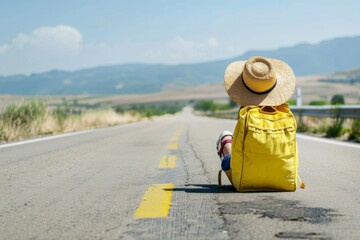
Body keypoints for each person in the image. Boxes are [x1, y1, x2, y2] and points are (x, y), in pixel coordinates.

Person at [216, 56, 296, 175]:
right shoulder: (283, 113)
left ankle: (225, 144)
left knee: (226, 137)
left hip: (246, 175)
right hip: (282, 176)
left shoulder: (246, 112)